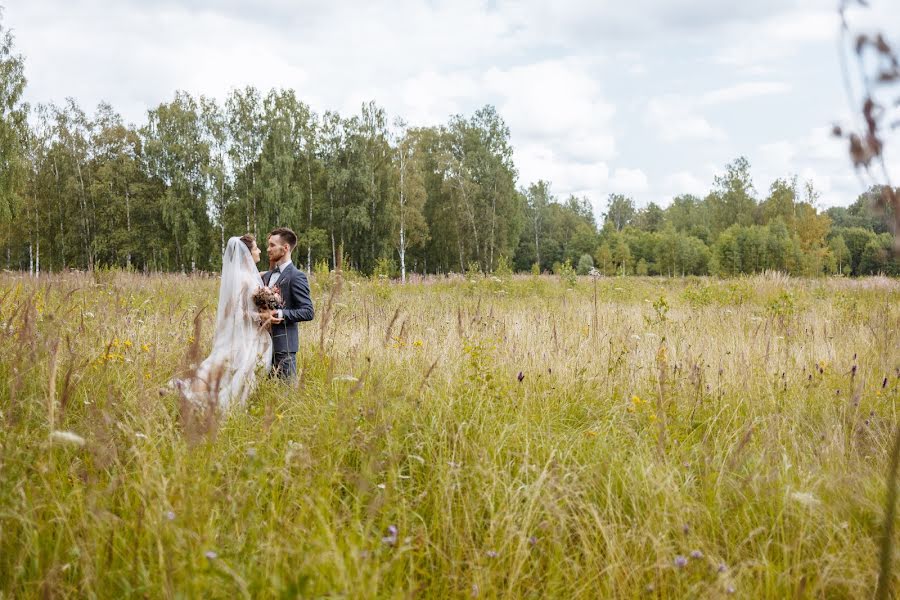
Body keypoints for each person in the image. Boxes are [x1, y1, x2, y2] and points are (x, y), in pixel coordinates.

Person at [172, 235, 273, 411]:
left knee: (234, 365)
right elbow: (235, 311)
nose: (259, 251)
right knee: (238, 366)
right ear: (245, 255)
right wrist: (260, 316)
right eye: (256, 248)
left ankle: (201, 391)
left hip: (249, 331)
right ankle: (214, 401)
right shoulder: (243, 278)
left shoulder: (246, 275)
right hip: (247, 332)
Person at [258, 227, 314, 380]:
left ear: (285, 248)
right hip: (261, 347)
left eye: (272, 245)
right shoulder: (266, 277)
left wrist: (279, 313)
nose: (268, 249)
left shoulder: (297, 276)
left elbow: (308, 311)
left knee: (285, 395)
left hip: (284, 348)